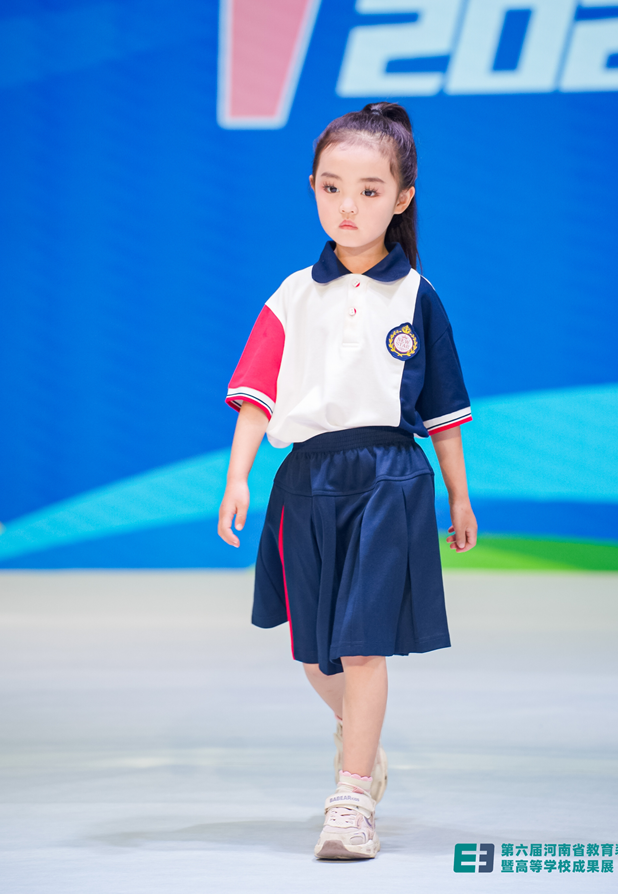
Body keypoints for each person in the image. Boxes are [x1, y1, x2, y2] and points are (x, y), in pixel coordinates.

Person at [218, 102, 477, 860]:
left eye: (369, 190)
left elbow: (443, 412)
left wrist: (459, 495)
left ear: (402, 197)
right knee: (315, 654)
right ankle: (359, 736)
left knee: (364, 647)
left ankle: (352, 798)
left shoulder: (418, 297)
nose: (348, 206)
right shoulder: (292, 295)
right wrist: (238, 478)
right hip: (305, 481)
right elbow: (256, 397)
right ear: (313, 188)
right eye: (332, 188)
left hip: (390, 480)